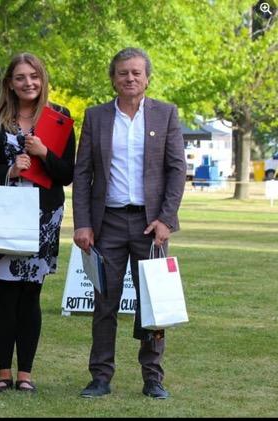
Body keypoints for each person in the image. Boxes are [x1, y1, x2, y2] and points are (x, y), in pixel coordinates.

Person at [72, 47, 186, 399]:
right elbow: (83, 173)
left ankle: (153, 378)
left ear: (147, 78)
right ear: (113, 78)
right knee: (104, 303)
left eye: (136, 72)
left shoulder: (166, 114)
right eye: (123, 72)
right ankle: (100, 377)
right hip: (107, 224)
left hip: (151, 226)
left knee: (154, 303)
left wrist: (166, 219)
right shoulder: (95, 117)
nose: (130, 78)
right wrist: (83, 223)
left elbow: (176, 169)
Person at [0, 53, 75, 393]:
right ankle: (3, 372)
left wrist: (44, 153)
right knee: (2, 295)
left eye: (34, 76)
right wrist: (9, 170)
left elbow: (67, 174)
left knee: (31, 295)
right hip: (0, 214)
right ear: (9, 83)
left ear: (42, 79)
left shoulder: (59, 118)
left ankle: (25, 374)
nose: (28, 83)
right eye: (20, 77)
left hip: (42, 217)